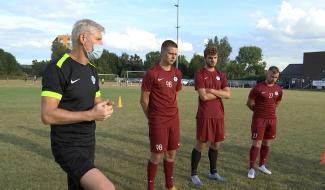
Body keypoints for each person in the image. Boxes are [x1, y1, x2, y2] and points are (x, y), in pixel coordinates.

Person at [41, 19, 115, 190]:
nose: (101, 44)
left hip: (88, 141)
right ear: (83, 38)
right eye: (98, 39)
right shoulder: (58, 68)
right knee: (105, 188)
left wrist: (104, 106)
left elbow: (95, 101)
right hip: (67, 145)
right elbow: (47, 115)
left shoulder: (91, 70)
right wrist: (91, 115)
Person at [140, 40, 182, 190]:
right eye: (170, 53)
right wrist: (152, 119)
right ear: (162, 52)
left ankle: (169, 185)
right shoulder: (152, 73)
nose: (173, 57)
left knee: (171, 154)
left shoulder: (177, 73)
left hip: (174, 120)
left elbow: (175, 95)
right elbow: (144, 100)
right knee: (157, 155)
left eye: (175, 54)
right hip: (158, 121)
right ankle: (150, 187)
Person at [190, 45, 231, 186]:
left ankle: (213, 172)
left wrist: (212, 90)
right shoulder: (200, 74)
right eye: (210, 58)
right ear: (205, 58)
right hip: (205, 115)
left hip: (219, 115)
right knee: (200, 144)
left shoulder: (221, 74)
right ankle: (194, 174)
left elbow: (228, 94)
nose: (213, 60)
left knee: (216, 144)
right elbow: (203, 97)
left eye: (215, 58)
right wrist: (220, 93)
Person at [246, 66, 283, 179]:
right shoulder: (258, 88)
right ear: (267, 73)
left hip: (272, 120)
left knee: (267, 143)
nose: (273, 79)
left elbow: (277, 101)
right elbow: (249, 102)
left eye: (276, 77)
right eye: (272, 76)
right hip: (259, 119)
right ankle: (251, 168)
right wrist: (257, 111)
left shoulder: (279, 89)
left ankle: (262, 165)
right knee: (257, 143)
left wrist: (270, 111)